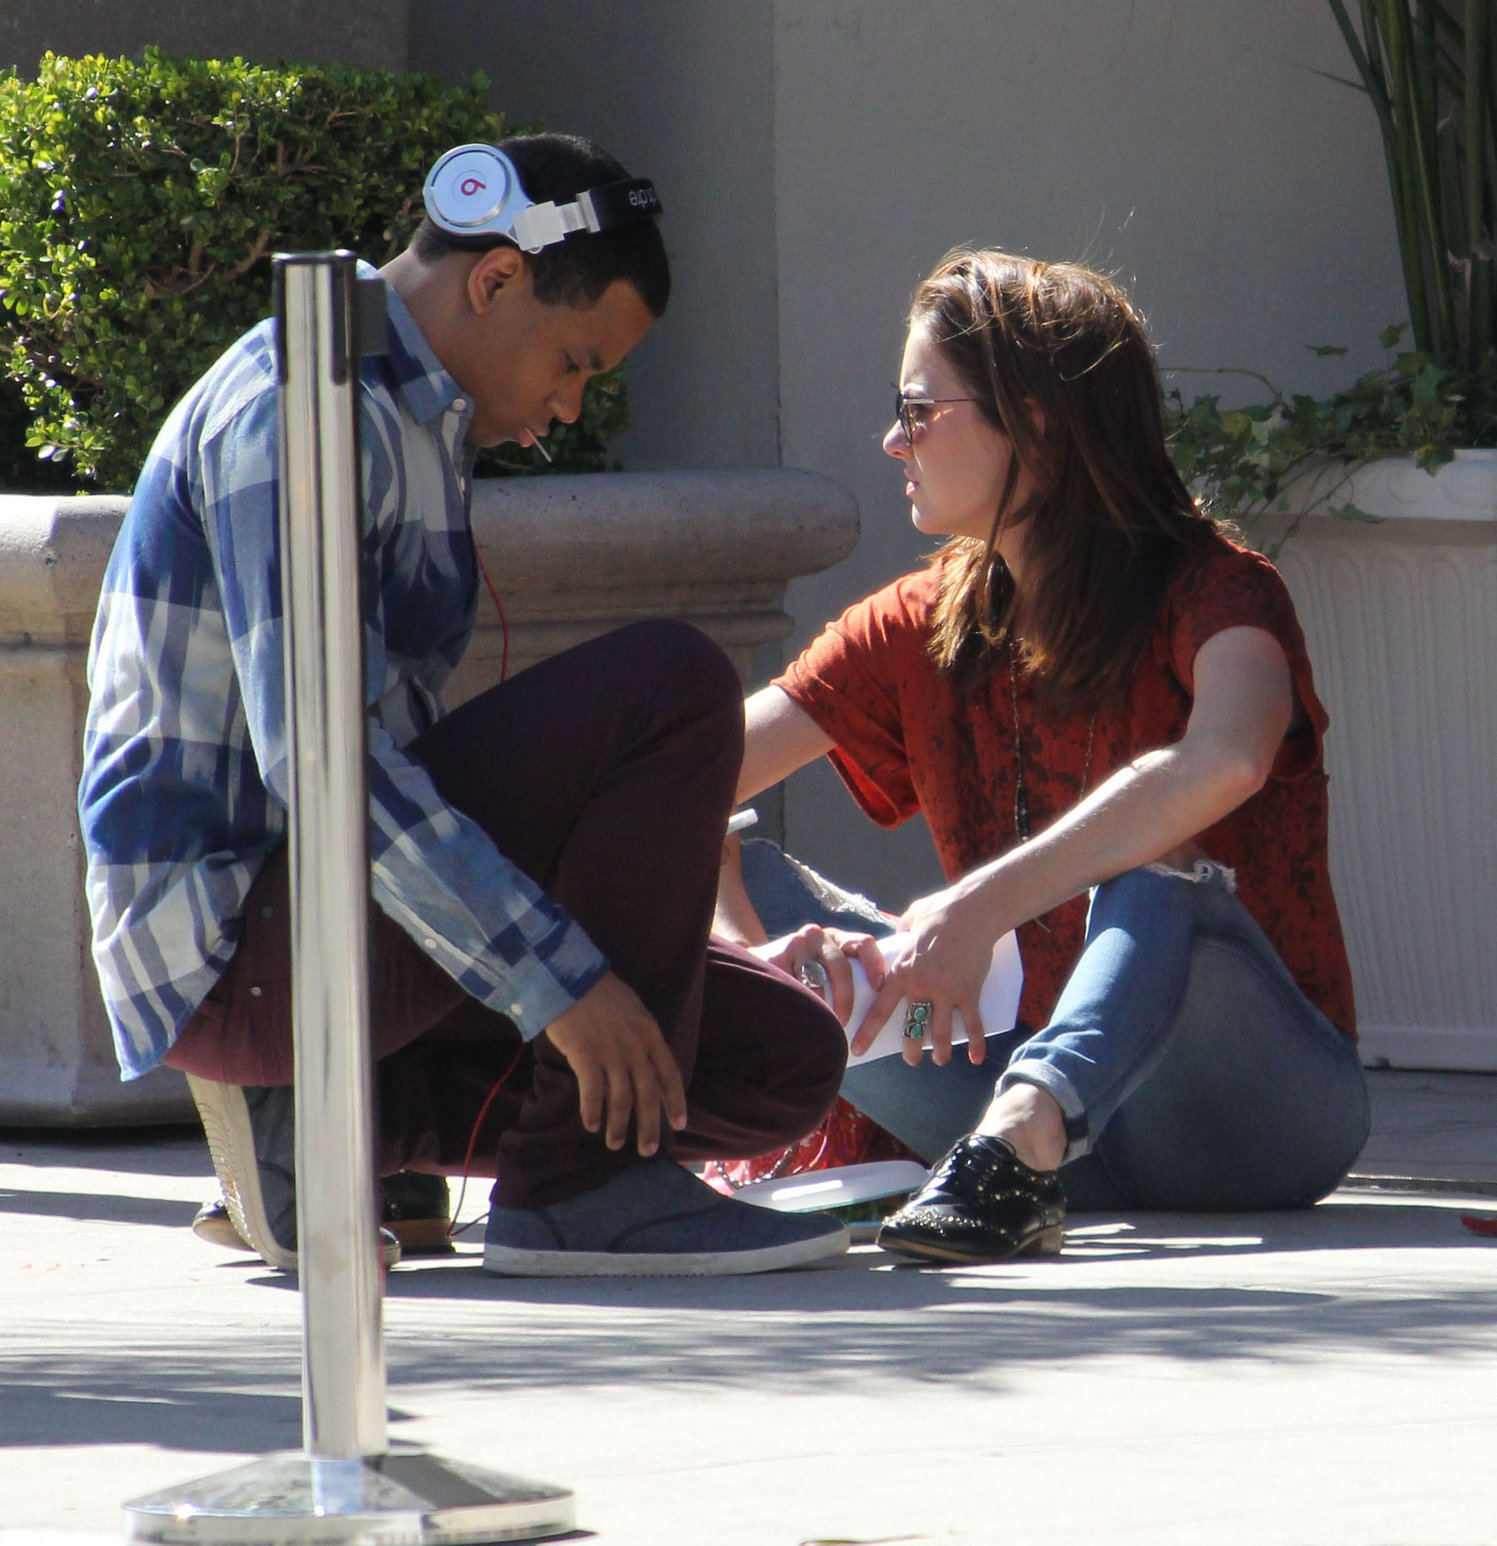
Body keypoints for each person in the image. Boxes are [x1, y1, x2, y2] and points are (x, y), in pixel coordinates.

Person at [79, 133, 849, 1278]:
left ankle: (349, 1124)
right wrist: (560, 981)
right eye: (576, 361)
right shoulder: (309, 403)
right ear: (496, 278)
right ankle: (581, 1187)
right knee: (676, 685)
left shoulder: (411, 410)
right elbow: (328, 767)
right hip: (239, 947)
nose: (570, 408)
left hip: (329, 919)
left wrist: (573, 977)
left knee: (778, 1053)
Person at [716, 249, 1371, 1265]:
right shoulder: (918, 619)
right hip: (996, 1097)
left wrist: (976, 908)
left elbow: (1228, 759)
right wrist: (751, 957)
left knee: (1158, 877)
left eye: (920, 411)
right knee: (739, 864)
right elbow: (674, 791)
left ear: (1037, 424)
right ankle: (999, 1147)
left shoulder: (1222, 591)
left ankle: (1025, 1133)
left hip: (1253, 1116)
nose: (895, 440)